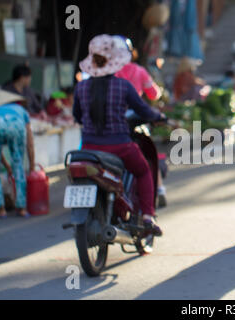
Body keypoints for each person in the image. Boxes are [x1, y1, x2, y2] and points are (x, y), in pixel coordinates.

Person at [73, 34, 166, 236]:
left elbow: (77, 116)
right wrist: (158, 117)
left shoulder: (81, 87)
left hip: (89, 149)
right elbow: (144, 110)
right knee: (143, 171)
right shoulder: (123, 87)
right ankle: (148, 216)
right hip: (120, 146)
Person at [114, 36, 168, 208]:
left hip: (111, 125)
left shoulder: (104, 75)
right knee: (147, 157)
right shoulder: (138, 71)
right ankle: (158, 190)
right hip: (135, 121)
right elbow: (154, 94)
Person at [0, 89, 36, 218]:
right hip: (16, 126)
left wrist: (5, 165)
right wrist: (32, 166)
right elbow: (30, 143)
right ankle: (21, 208)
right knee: (18, 165)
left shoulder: (0, 110)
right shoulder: (22, 112)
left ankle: (1, 209)